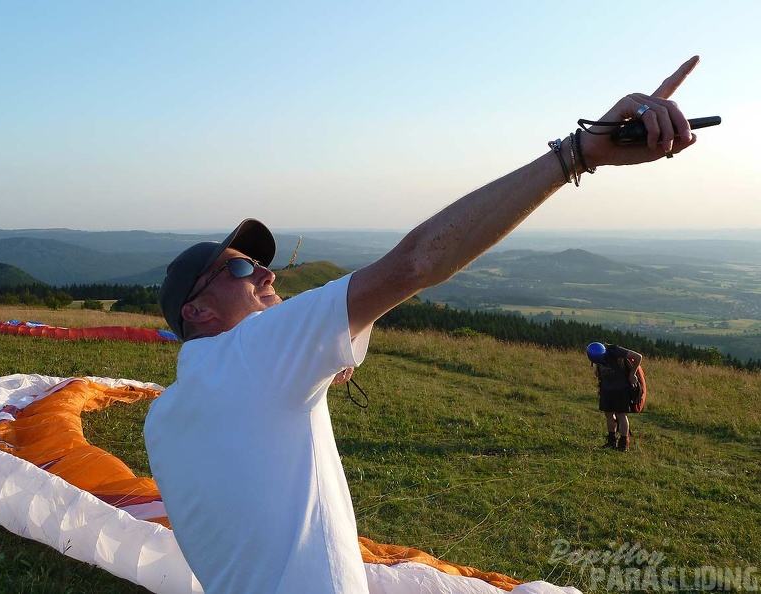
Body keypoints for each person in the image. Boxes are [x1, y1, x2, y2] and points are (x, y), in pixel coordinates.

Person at [144, 56, 703, 594]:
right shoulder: (255, 354)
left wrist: (317, 365)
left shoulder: (165, 418)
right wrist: (579, 153)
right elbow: (416, 264)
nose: (265, 270)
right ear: (198, 312)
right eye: (239, 267)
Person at [587, 342, 643, 451]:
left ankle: (623, 444)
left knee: (621, 415)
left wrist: (632, 374)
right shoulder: (596, 355)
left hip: (621, 389)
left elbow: (638, 357)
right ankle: (611, 441)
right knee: (608, 414)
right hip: (606, 389)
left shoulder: (614, 350)